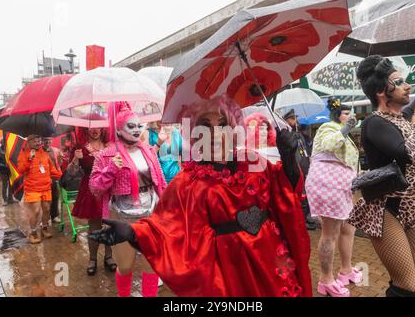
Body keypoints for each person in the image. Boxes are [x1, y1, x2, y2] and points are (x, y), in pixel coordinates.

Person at [89, 95, 312, 297]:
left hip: (269, 260)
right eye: (206, 126)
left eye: (222, 125)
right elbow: (167, 225)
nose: (214, 133)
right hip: (226, 269)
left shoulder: (255, 162)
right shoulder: (188, 181)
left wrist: (290, 160)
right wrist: (132, 232)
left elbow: (285, 194)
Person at [348, 54, 415, 297]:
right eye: (398, 82)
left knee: (413, 278)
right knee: (405, 285)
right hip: (389, 209)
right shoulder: (374, 124)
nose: (407, 85)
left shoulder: (403, 115)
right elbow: (412, 155)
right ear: (380, 91)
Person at [89, 102, 167, 297]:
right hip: (122, 217)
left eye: (139, 126)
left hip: (151, 216)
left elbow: (161, 182)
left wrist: (170, 207)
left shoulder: (148, 150)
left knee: (152, 265)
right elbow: (95, 188)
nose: (136, 130)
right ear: (119, 129)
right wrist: (111, 170)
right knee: (125, 266)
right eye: (130, 126)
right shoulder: (107, 154)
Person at [305, 98, 362, 297]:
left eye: (350, 112)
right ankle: (326, 279)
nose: (350, 116)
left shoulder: (342, 132)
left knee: (348, 227)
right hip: (330, 185)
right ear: (337, 115)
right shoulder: (328, 127)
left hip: (342, 185)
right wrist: (346, 128)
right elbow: (329, 145)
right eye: (345, 113)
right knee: (331, 232)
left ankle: (346, 270)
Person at [65, 125, 116, 276]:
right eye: (92, 127)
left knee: (110, 225)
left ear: (103, 129)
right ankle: (92, 259)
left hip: (110, 189)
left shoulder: (110, 146)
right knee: (94, 226)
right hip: (91, 191)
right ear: (86, 129)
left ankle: (109, 256)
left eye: (98, 127)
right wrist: (76, 158)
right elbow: (70, 172)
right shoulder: (80, 147)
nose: (95, 130)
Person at [17, 135, 62, 244]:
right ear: (29, 141)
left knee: (47, 209)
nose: (38, 143)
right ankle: (33, 233)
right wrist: (29, 158)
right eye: (35, 141)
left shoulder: (44, 153)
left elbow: (52, 169)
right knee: (35, 211)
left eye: (39, 140)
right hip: (32, 188)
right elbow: (21, 169)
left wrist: (61, 174)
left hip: (46, 187)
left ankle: (44, 228)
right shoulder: (24, 153)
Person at [283, 109, 316, 230]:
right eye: (292, 118)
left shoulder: (299, 133)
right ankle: (300, 221)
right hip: (296, 169)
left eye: (295, 118)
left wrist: (309, 157)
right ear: (285, 120)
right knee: (300, 196)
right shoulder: (285, 133)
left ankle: (306, 217)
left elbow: (304, 149)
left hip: (305, 166)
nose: (295, 121)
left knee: (307, 195)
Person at [43, 137, 63, 223]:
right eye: (45, 140)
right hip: (44, 178)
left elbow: (60, 163)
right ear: (43, 141)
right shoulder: (39, 151)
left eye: (49, 140)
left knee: (55, 197)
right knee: (45, 200)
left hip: (54, 178)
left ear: (52, 140)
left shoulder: (56, 151)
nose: (47, 141)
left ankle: (54, 216)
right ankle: (45, 218)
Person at [0, 140, 14, 205]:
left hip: (10, 170)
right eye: (4, 142)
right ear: (2, 143)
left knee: (11, 185)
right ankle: (5, 200)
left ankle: (10, 199)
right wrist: (4, 165)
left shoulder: (9, 150)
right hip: (3, 171)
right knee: (5, 185)